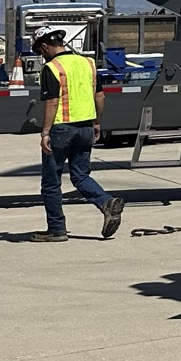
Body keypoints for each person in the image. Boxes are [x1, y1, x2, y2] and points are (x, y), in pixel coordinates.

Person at [28, 29, 123, 242]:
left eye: (40, 51)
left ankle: (57, 229)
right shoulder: (87, 63)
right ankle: (106, 202)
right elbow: (100, 96)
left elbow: (52, 102)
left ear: (44, 47)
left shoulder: (51, 68)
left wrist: (45, 132)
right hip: (85, 128)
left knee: (51, 182)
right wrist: (97, 122)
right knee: (80, 175)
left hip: (61, 129)